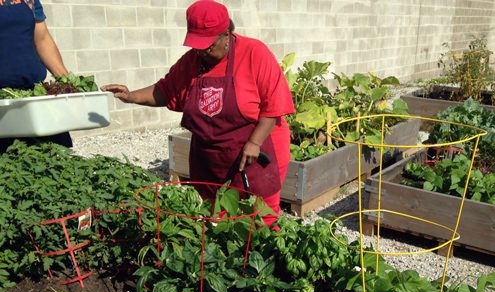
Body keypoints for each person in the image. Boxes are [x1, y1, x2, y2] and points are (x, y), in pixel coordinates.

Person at [101, 0, 294, 227]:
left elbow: (273, 106)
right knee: (217, 220)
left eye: (208, 46)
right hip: (212, 157)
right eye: (196, 45)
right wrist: (130, 96)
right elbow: (166, 91)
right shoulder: (193, 61)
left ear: (226, 35)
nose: (201, 51)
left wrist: (255, 141)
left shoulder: (255, 53)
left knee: (260, 218)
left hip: (258, 151)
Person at [0, 0, 73, 153]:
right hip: (2, 104)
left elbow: (42, 40)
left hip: (33, 97)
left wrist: (69, 84)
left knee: (54, 158)